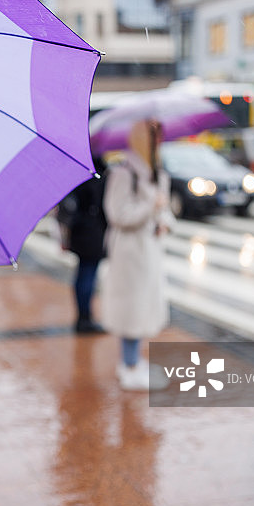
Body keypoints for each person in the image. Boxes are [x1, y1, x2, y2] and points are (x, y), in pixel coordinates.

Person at [101, 119, 173, 391]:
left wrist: (164, 218)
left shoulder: (157, 172)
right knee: (131, 308)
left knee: (144, 307)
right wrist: (149, 205)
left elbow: (162, 209)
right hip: (129, 252)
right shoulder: (124, 173)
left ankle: (134, 360)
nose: (158, 142)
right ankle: (128, 364)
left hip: (149, 249)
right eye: (153, 136)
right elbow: (118, 214)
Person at [62, 155, 108, 334]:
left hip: (80, 229)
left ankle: (83, 316)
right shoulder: (97, 173)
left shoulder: (77, 169)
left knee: (83, 273)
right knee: (88, 274)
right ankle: (84, 318)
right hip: (92, 232)